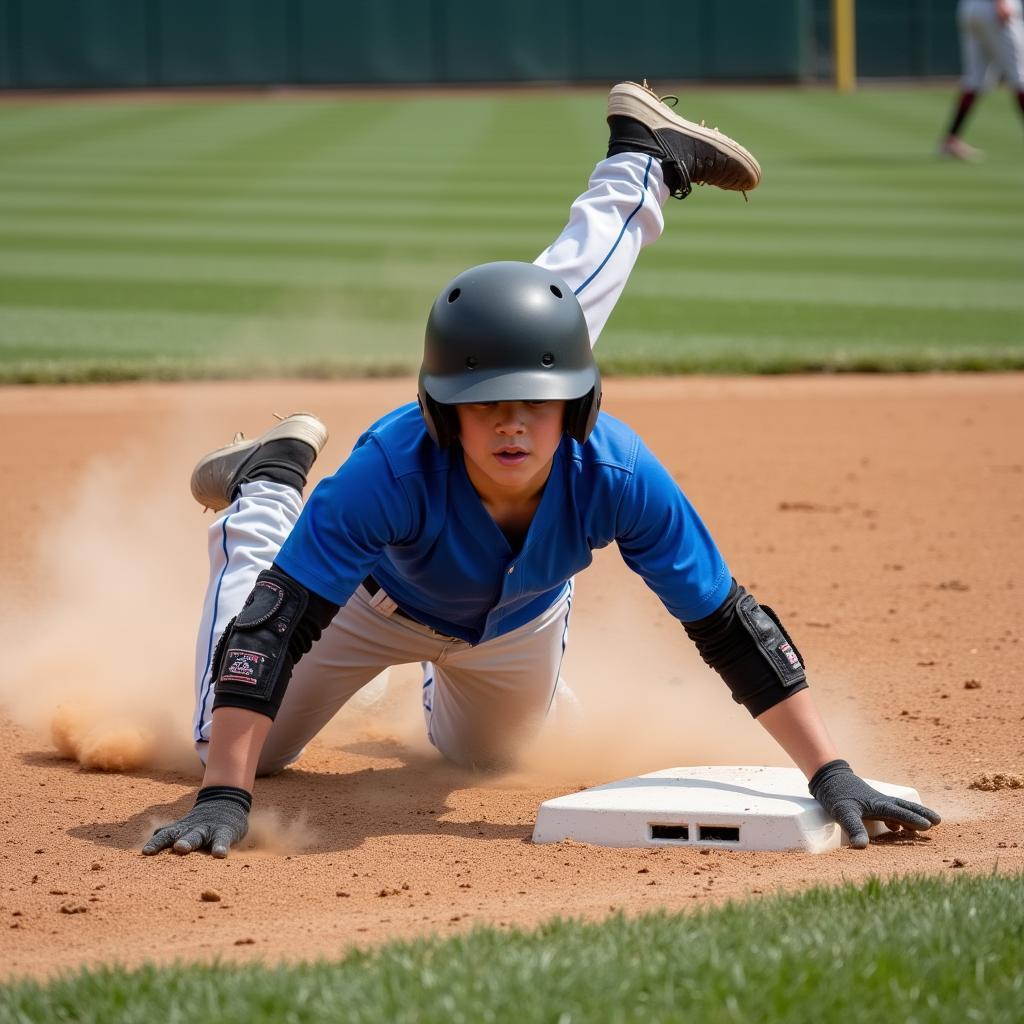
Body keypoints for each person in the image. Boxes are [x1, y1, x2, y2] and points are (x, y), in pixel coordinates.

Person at [143, 81, 940, 859]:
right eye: (482, 405)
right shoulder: (389, 471)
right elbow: (271, 627)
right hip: (369, 603)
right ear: (443, 412)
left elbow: (727, 625)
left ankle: (639, 166)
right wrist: (223, 794)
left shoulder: (617, 473)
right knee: (239, 745)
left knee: (534, 332)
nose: (512, 422)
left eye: (537, 403)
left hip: (515, 623)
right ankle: (268, 487)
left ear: (581, 409)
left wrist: (830, 772)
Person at [939, 0, 1024, 160]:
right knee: (1020, 76)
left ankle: (950, 140)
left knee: (975, 79)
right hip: (995, 10)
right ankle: (950, 140)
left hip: (970, 8)